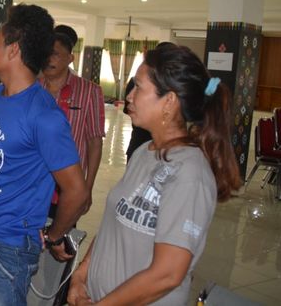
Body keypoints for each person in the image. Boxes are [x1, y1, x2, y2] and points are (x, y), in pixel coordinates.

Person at [68, 44, 242, 306]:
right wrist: (81, 274)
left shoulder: (189, 173)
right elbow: (112, 225)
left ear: (169, 102)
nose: (129, 96)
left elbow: (168, 274)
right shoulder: (143, 153)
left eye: (138, 87)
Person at [0, 4, 88, 306]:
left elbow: (76, 191)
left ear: (13, 50)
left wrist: (54, 235)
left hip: (6, 247)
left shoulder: (44, 116)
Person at [41, 25, 105, 215]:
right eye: (45, 53)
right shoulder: (32, 88)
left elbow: (94, 142)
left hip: (67, 188)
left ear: (70, 58)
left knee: (58, 240)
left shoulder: (89, 91)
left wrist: (87, 188)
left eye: (55, 54)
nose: (48, 59)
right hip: (31, 185)